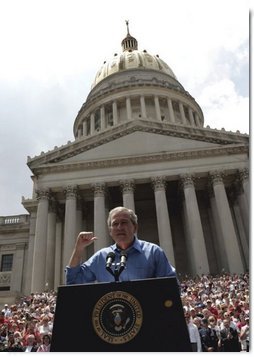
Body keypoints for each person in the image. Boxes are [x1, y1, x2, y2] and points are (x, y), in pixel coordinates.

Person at [66, 206, 177, 284]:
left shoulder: (153, 252)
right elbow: (73, 281)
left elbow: (171, 285)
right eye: (115, 224)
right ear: (110, 231)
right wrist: (78, 249)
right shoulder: (101, 257)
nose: (119, 227)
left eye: (124, 222)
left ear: (135, 227)